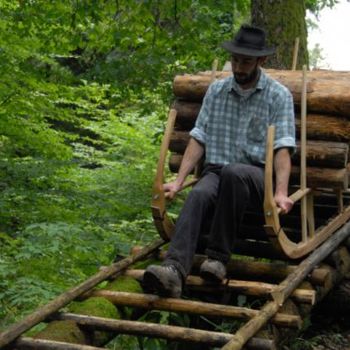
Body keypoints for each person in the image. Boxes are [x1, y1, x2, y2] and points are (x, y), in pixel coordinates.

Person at [142, 24, 296, 298]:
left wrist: (281, 192)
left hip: (257, 175)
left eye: (246, 61)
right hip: (217, 171)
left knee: (235, 173)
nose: (238, 66)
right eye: (235, 59)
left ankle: (217, 259)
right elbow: (199, 137)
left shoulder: (277, 95)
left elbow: (283, 147)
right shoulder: (216, 91)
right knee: (200, 193)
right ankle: (174, 270)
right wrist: (179, 182)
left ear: (261, 61)